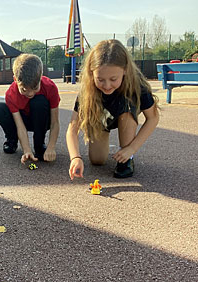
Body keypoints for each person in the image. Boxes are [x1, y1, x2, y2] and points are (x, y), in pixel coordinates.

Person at [66, 39, 160, 179]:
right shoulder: (87, 90)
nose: (107, 85)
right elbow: (72, 128)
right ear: (92, 74)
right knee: (97, 161)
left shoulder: (137, 86)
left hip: (125, 114)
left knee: (126, 110)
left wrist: (131, 148)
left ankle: (127, 160)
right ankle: (104, 133)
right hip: (101, 118)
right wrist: (75, 158)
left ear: (125, 71)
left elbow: (153, 118)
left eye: (113, 79)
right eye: (100, 79)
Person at [0, 54, 60, 164]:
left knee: (39, 101)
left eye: (35, 88)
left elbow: (55, 122)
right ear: (15, 80)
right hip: (23, 121)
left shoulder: (50, 87)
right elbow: (20, 126)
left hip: (42, 120)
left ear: (41, 77)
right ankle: (12, 140)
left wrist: (51, 147)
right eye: (24, 89)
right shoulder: (11, 94)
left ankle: (39, 145)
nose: (30, 93)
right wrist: (27, 150)